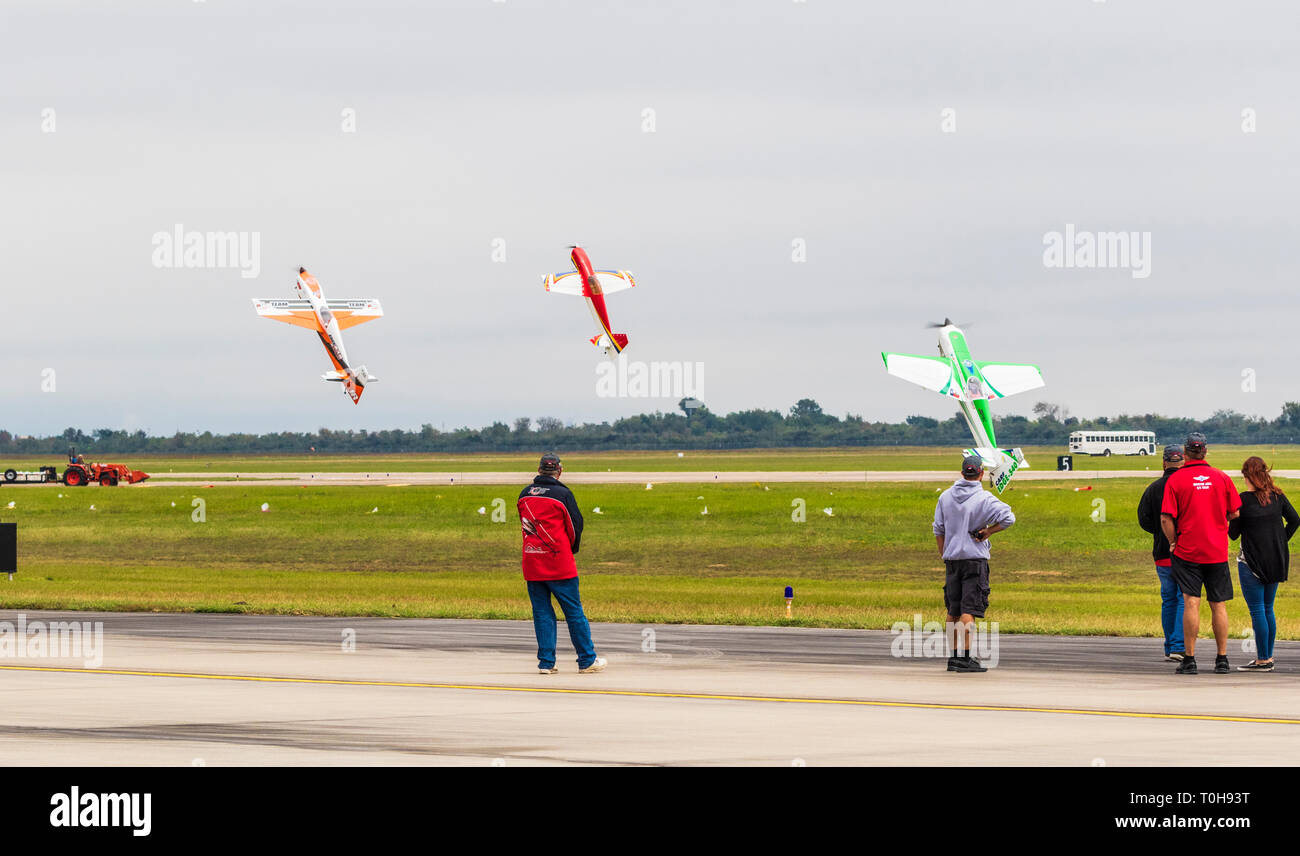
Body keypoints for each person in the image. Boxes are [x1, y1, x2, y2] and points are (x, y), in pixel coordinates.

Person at [516, 453, 606, 675]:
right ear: (560, 470)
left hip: (532, 561)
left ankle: (546, 662)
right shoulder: (562, 494)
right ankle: (586, 659)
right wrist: (570, 549)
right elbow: (575, 527)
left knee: (541, 613)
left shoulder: (524, 494)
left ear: (538, 471)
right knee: (574, 612)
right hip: (559, 562)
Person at [1160, 433, 1241, 675]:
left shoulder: (1176, 480)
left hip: (1188, 551)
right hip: (1216, 551)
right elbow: (1235, 512)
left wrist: (1173, 542)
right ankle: (1222, 658)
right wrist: (1218, 521)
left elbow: (1166, 517)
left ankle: (1190, 659)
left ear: (1185, 453)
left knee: (1191, 602)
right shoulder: (1222, 478)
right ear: (1205, 452)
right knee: (1219, 604)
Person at [933, 454, 1016, 673]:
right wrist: (988, 531)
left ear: (962, 473)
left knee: (953, 610)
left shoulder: (945, 497)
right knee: (969, 609)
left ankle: (953, 656)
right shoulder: (984, 499)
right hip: (974, 560)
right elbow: (1009, 518)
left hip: (952, 561)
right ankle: (967, 657)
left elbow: (938, 530)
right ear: (980, 474)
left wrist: (945, 554)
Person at [1228, 456, 1298, 672]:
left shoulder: (1243, 500)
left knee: (1257, 610)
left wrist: (1231, 517)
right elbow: (1295, 520)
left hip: (1251, 562)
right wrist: (1279, 542)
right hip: (1276, 559)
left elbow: (1233, 535)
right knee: (1268, 608)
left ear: (1248, 475)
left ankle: (1263, 659)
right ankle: (1267, 656)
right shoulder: (1278, 495)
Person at [1137, 445, 1186, 661]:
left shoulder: (1153, 488)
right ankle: (1177, 645)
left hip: (1161, 552)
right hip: (1184, 550)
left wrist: (1160, 532)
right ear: (1182, 462)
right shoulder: (1185, 485)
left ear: (1164, 463)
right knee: (1183, 597)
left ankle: (1170, 645)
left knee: (1168, 599)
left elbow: (1144, 519)